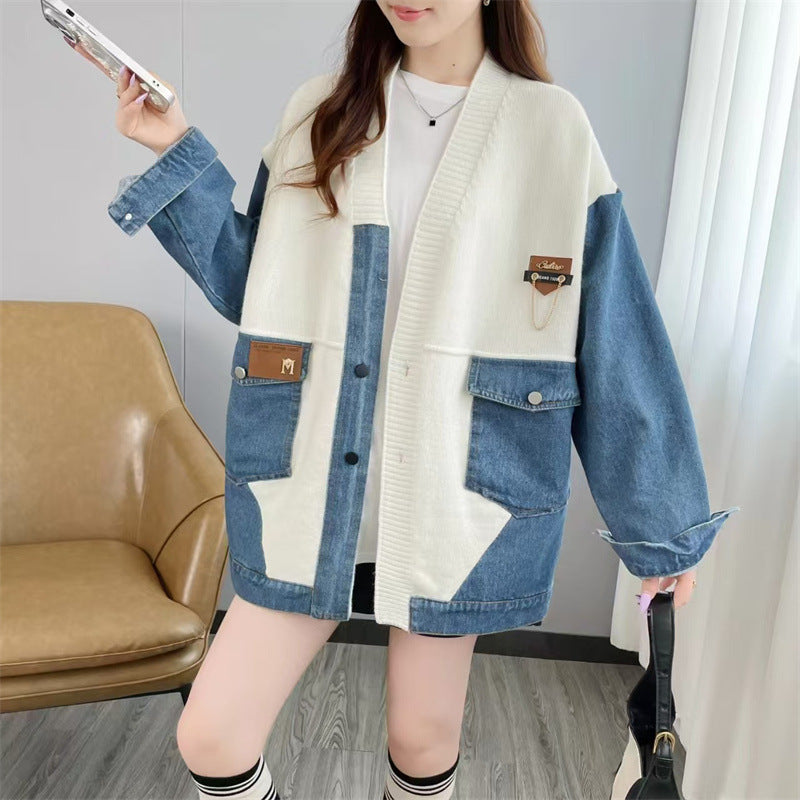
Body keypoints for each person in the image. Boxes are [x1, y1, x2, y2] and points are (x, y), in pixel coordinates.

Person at [73, 1, 738, 797]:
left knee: (422, 742)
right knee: (212, 735)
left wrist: (662, 532)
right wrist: (173, 146)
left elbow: (614, 333)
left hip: (456, 490)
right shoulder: (321, 112)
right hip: (315, 477)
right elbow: (261, 285)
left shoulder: (551, 127)